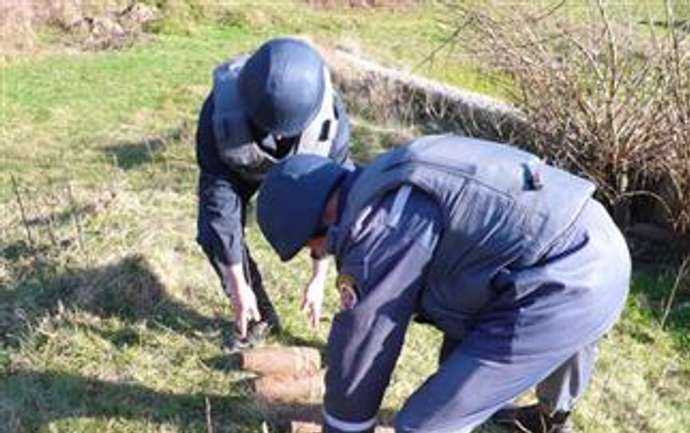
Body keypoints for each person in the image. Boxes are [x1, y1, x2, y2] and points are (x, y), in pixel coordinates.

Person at [256, 135, 631, 433]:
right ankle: (551, 419)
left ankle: (548, 420)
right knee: (456, 377)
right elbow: (470, 260)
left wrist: (344, 426)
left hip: (566, 279)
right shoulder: (391, 175)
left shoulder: (381, 222)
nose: (315, 255)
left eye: (310, 246)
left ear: (320, 217)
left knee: (424, 424)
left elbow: (365, 339)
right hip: (596, 242)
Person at [195, 37, 353, 351]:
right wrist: (238, 286)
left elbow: (334, 210)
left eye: (286, 130)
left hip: (305, 166)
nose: (279, 135)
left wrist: (319, 277)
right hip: (239, 162)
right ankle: (258, 316)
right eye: (272, 128)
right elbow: (220, 207)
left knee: (349, 221)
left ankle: (352, 333)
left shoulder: (330, 121)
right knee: (211, 234)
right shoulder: (219, 114)